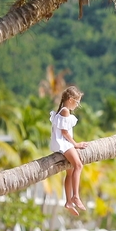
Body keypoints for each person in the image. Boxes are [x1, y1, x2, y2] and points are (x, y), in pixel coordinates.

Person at [49, 86, 88, 216]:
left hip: (60, 143)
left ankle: (68, 202)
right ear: (70, 100)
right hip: (63, 143)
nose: (77, 105)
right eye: (77, 102)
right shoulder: (65, 111)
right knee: (78, 165)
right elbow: (64, 132)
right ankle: (75, 196)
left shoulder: (62, 110)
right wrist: (76, 144)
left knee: (70, 172)